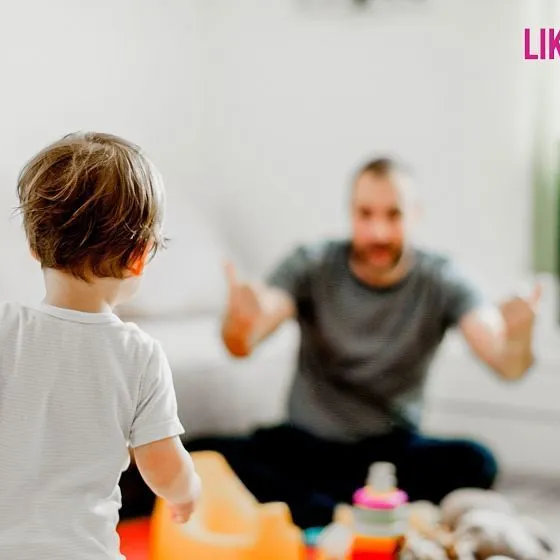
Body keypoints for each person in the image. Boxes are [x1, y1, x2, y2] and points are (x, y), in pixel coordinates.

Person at [0, 132, 201, 560]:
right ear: (138, 257)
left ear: (34, 246)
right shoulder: (140, 356)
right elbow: (162, 463)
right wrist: (186, 491)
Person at [188, 157, 541, 530]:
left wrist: (518, 339)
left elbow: (505, 361)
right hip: (305, 447)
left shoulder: (443, 279)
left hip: (389, 454)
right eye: (366, 215)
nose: (378, 232)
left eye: (394, 215)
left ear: (415, 215)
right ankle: (359, 511)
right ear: (350, 214)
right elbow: (245, 341)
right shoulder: (311, 264)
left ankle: (323, 507)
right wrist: (241, 322)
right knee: (198, 455)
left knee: (477, 462)